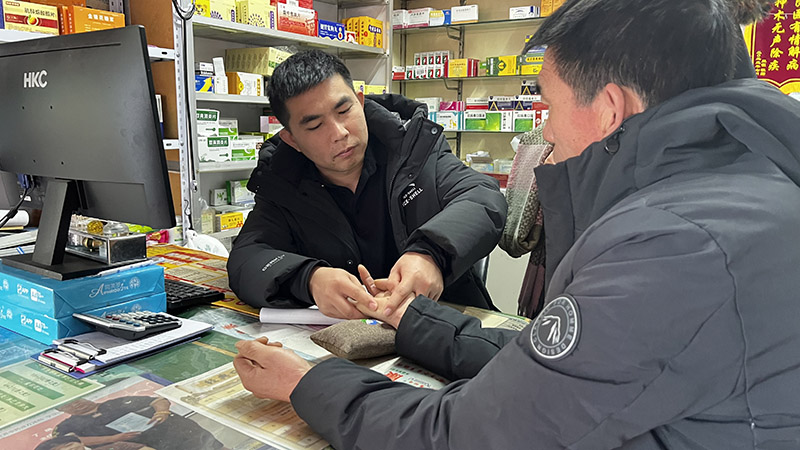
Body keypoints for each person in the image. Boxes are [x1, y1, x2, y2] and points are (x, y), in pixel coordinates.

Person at [233, 0, 800, 448]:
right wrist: (408, 320)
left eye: (547, 104)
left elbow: (470, 434)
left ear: (609, 108)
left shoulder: (671, 245)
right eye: (313, 124)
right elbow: (572, 368)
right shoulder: (732, 194)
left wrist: (304, 384)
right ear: (291, 136)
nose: (545, 132)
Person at [227, 50, 507, 318]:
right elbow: (247, 256)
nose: (339, 133)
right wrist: (309, 279)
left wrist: (431, 254)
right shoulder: (282, 181)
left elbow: (482, 197)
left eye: (344, 110)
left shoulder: (412, 149)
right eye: (315, 126)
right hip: (346, 334)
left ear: (360, 101)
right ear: (292, 140)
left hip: (446, 322)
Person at [52, 396, 223, 450]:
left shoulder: (115, 402)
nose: (77, 405)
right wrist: (115, 438)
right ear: (62, 410)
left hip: (179, 432)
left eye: (78, 400)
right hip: (144, 445)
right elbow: (70, 442)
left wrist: (161, 412)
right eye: (69, 405)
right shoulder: (68, 425)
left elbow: (158, 400)